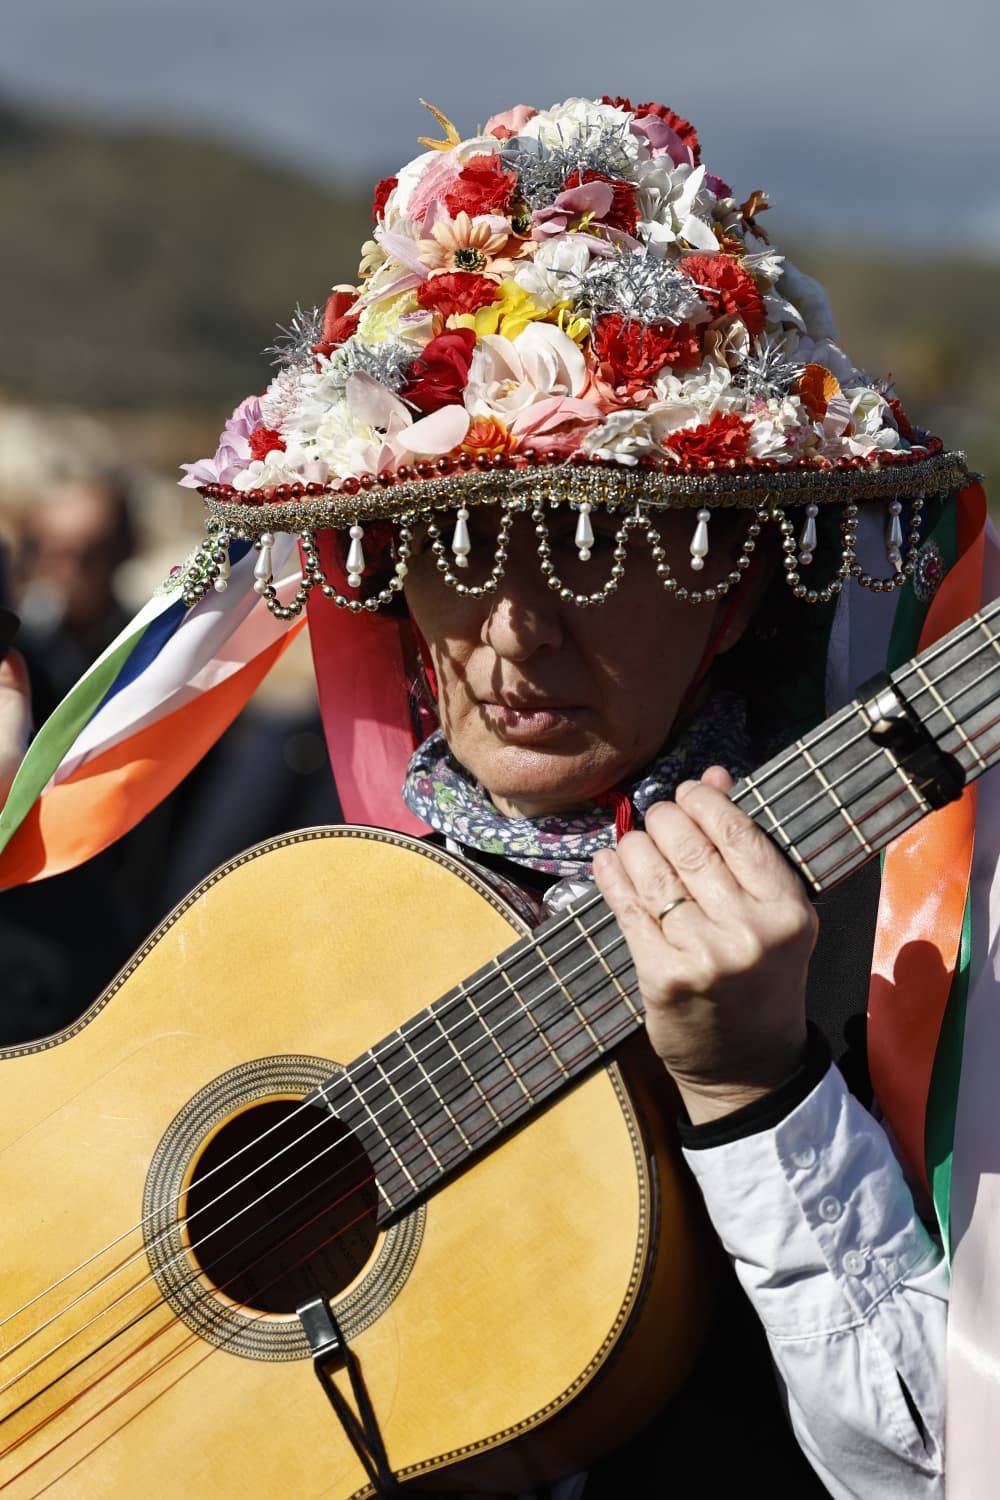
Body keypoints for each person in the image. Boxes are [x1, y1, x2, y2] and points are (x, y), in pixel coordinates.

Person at [1, 94, 993, 1496]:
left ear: (737, 585)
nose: (516, 634)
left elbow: (943, 1466)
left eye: (598, 542)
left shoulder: (908, 943)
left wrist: (757, 1092)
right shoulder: (299, 901)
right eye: (461, 540)